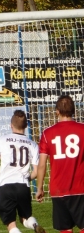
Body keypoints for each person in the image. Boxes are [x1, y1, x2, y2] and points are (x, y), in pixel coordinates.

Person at [0, 110, 45, 233]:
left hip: (6, 185)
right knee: (25, 218)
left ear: (11, 125)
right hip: (23, 186)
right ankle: (35, 225)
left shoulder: (3, 139)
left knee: (11, 225)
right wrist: (25, 178)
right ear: (26, 126)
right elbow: (36, 171)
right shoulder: (32, 144)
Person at [36, 95, 84, 232]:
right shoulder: (82, 129)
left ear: (57, 111)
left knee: (65, 229)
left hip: (58, 190)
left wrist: (39, 188)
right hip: (80, 188)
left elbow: (42, 164)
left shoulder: (47, 133)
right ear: (74, 110)